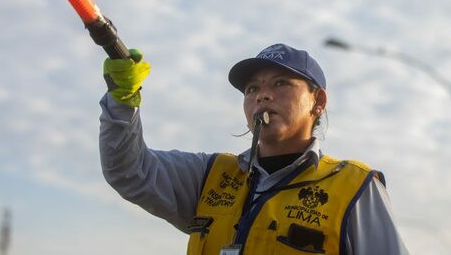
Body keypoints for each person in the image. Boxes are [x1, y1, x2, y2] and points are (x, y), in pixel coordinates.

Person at [99, 43, 409, 254]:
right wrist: (122, 100)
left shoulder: (356, 187)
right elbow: (129, 171)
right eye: (252, 89)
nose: (262, 96)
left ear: (319, 102)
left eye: (280, 84)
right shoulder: (209, 175)